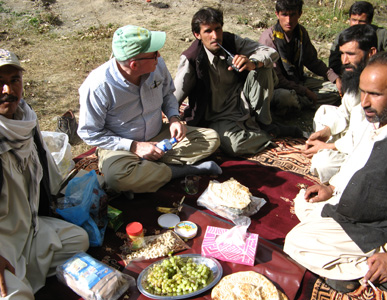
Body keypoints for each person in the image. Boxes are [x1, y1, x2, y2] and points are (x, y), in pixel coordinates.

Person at [284, 52, 387, 296]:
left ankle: (365, 267)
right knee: (303, 202)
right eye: (363, 91)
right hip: (351, 207)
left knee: (296, 242)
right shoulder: (378, 119)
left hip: (378, 229)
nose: (365, 102)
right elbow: (356, 163)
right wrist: (332, 188)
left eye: (375, 94)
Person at [78, 25, 221, 196]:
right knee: (117, 178)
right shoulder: (98, 86)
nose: (159, 56)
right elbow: (89, 133)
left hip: (158, 135)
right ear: (134, 64)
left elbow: (168, 94)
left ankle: (147, 170)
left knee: (211, 139)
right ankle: (180, 170)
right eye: (154, 54)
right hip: (121, 145)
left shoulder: (156, 65)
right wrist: (134, 146)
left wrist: (174, 118)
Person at [0, 49, 89, 299]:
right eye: (0, 83)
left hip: (28, 229)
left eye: (14, 80)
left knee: (78, 240)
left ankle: (22, 275)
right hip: (2, 244)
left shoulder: (25, 119)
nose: (8, 90)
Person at [174, 7, 302, 157]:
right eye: (208, 31)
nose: (215, 36)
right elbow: (173, 98)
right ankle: (270, 133)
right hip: (219, 116)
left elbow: (270, 52)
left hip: (245, 101)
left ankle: (264, 123)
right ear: (197, 35)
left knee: (264, 69)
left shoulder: (231, 41)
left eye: (218, 29)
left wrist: (253, 62)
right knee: (235, 146)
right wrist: (173, 121)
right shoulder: (191, 58)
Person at [303, 24, 377, 183]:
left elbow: (366, 133)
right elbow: (345, 110)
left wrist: (328, 147)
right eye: (342, 54)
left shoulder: (378, 80)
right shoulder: (356, 73)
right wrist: (326, 131)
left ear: (371, 53)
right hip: (351, 132)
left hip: (366, 143)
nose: (344, 61)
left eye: (351, 54)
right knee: (323, 111)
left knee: (323, 164)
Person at [258, 0, 341, 116]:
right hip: (277, 87)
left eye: (292, 15)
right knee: (285, 98)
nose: (289, 20)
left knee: (336, 90)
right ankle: (305, 102)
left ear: (299, 14)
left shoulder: (301, 33)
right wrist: (305, 91)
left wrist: (335, 78)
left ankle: (301, 104)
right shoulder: (269, 38)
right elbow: (277, 79)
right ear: (277, 14)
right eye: (284, 15)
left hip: (298, 80)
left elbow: (312, 62)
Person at [329, 1, 387, 75]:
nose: (357, 24)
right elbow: (334, 64)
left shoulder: (383, 36)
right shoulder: (344, 36)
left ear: (370, 21)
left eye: (361, 21)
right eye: (354, 20)